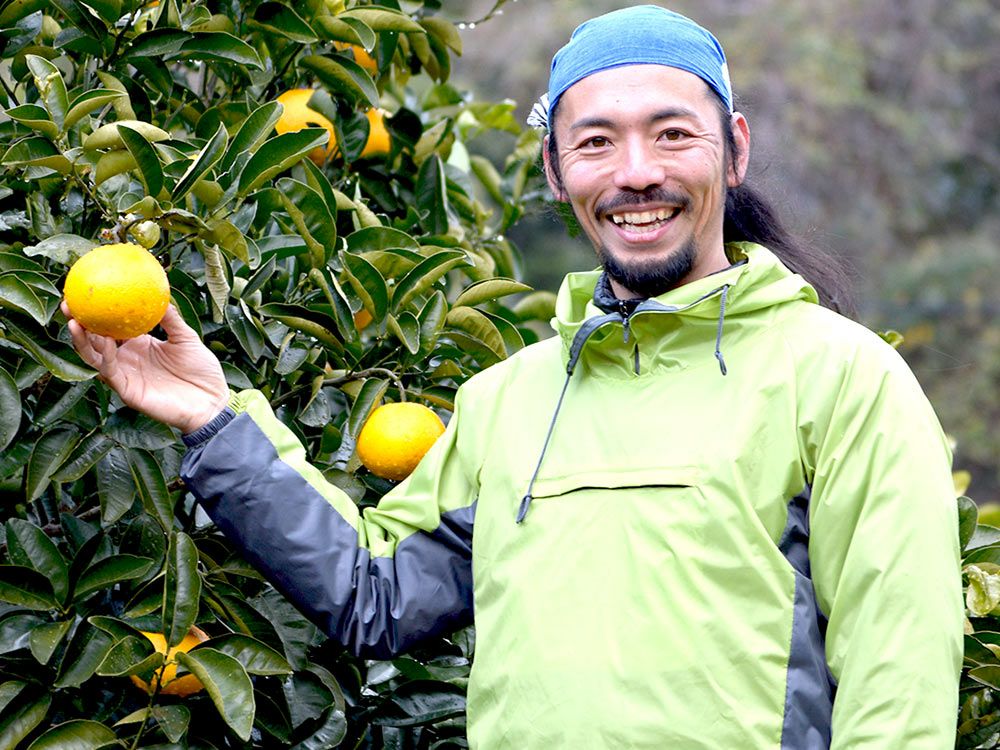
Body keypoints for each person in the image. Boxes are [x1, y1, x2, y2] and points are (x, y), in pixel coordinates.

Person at [66, 5, 962, 748]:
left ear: (733, 150)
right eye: (596, 142)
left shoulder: (842, 377)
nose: (636, 173)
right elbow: (374, 596)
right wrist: (215, 418)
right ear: (555, 171)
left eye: (672, 135)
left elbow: (900, 677)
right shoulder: (510, 399)